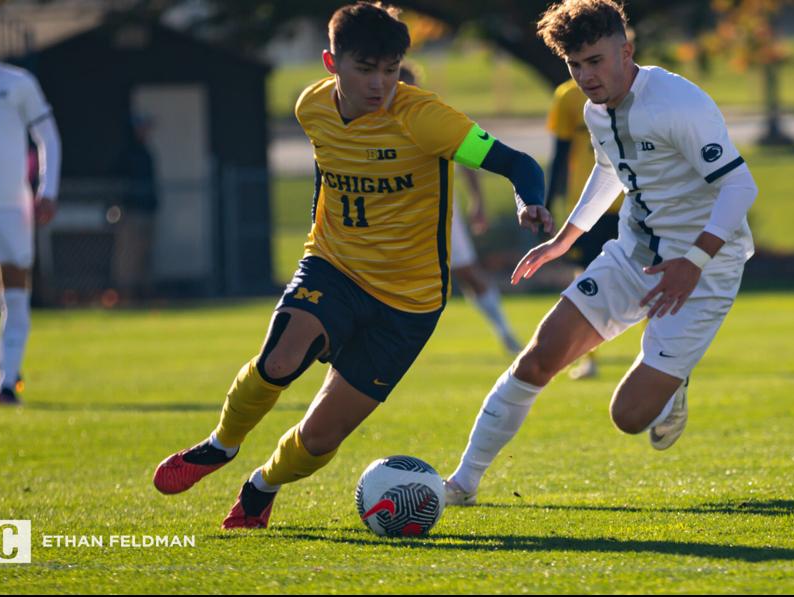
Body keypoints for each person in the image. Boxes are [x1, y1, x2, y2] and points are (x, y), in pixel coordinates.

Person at [150, 2, 550, 529]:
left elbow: (518, 162)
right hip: (333, 266)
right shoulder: (310, 107)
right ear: (331, 63)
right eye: (365, 69)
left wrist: (529, 201)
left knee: (320, 436)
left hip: (409, 303)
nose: (380, 83)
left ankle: (260, 486)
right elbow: (330, 168)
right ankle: (220, 445)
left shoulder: (425, 117)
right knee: (279, 359)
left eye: (389, 70)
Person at [441, 0, 756, 505]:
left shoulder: (677, 102)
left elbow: (740, 188)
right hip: (632, 254)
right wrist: (563, 240)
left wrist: (691, 263)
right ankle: (462, 483)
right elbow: (610, 171)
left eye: (595, 61)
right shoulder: (595, 108)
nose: (586, 76)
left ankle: (672, 385)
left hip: (704, 267)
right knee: (540, 356)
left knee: (628, 417)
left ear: (625, 51)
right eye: (575, 64)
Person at [0, 2, 61, 408]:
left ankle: (6, 384)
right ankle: (10, 368)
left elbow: (48, 138)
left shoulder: (17, 82)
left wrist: (48, 189)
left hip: (11, 207)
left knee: (15, 292)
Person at [398, 64, 520, 355]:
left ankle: (505, 333)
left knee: (467, 272)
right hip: (396, 214)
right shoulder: (375, 121)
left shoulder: (434, 116)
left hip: (439, 213)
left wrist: (477, 203)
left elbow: (468, 160)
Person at [546, 75, 621, 379]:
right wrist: (549, 200)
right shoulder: (568, 96)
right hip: (589, 206)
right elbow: (560, 152)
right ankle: (588, 358)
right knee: (588, 283)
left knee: (650, 278)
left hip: (632, 203)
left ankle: (651, 356)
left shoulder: (640, 90)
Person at [111, 113, 159, 303]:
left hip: (148, 210)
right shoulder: (127, 153)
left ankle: (144, 293)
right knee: (128, 255)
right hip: (132, 212)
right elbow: (118, 180)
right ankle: (125, 294)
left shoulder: (147, 152)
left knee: (146, 253)